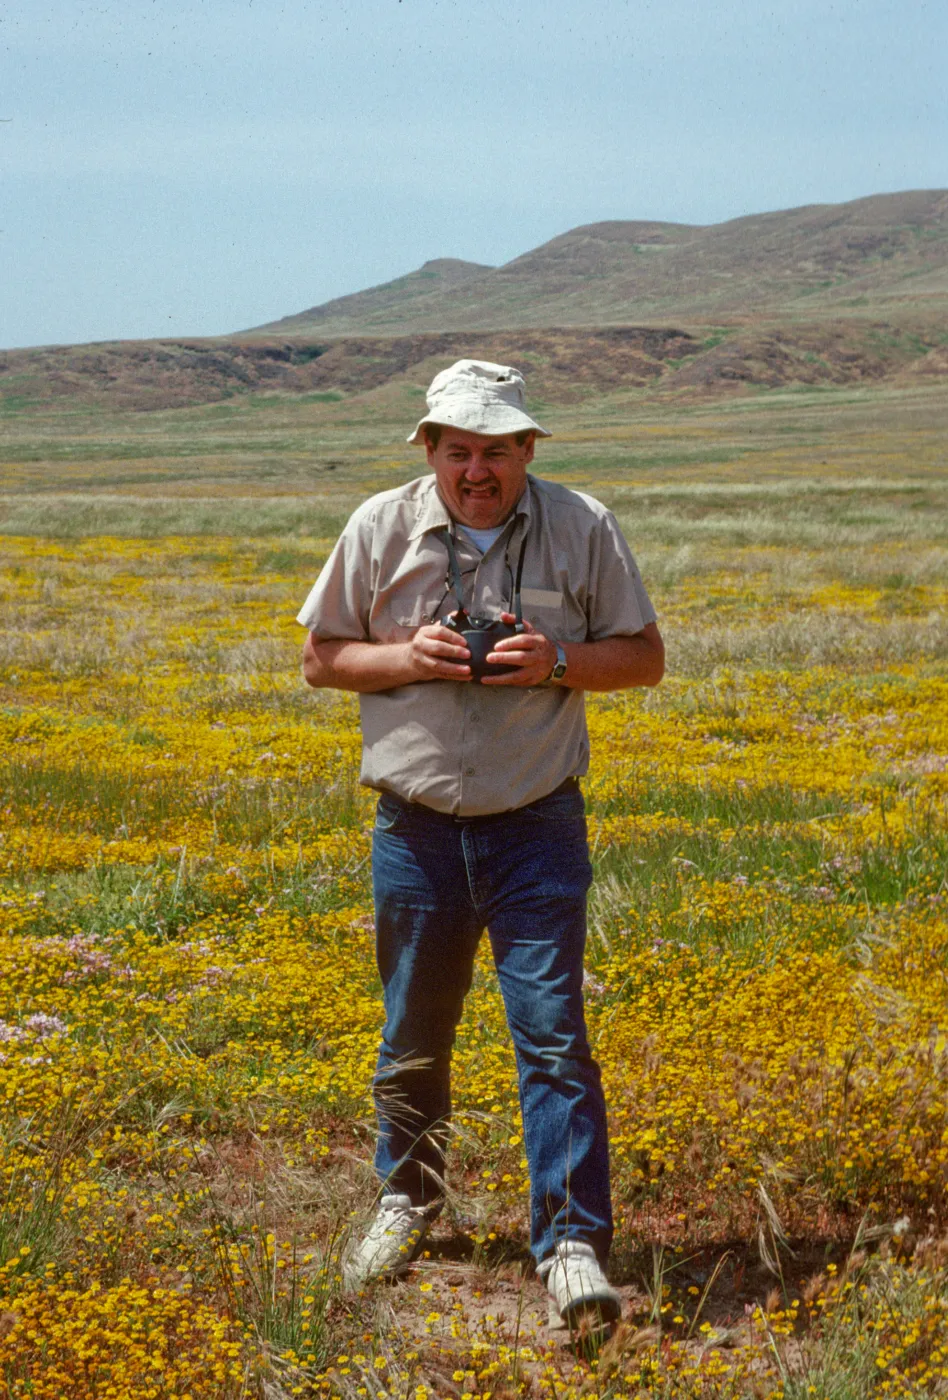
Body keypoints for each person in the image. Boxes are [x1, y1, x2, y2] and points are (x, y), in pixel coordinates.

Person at [297, 359, 663, 1327]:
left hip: (537, 820)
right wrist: (403, 655)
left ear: (527, 449)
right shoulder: (379, 526)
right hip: (413, 827)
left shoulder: (582, 524)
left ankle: (574, 1241)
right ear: (429, 449)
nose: (477, 469)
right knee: (412, 1031)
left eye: (497, 449)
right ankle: (406, 1200)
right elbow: (320, 657)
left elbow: (646, 655)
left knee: (551, 1035)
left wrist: (560, 660)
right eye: (458, 449)